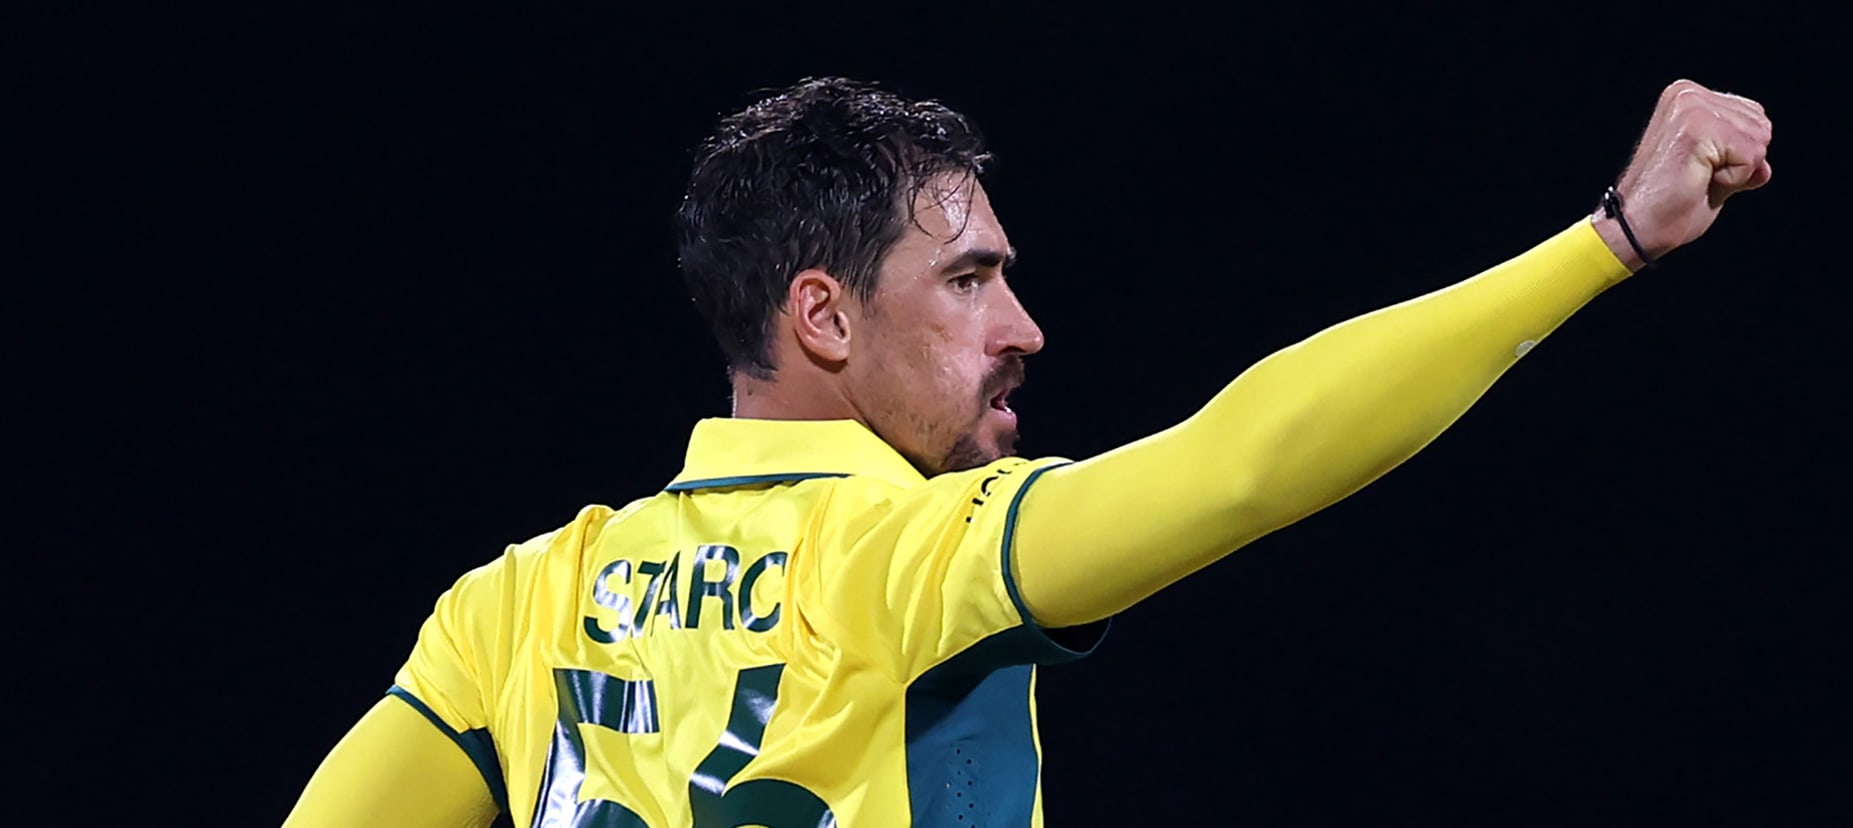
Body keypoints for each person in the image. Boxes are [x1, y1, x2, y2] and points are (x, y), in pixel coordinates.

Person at [283, 76, 1773, 827]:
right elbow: (1248, 462)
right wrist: (1612, 241)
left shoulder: (519, 607)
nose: (1027, 328)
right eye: (972, 280)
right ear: (823, 314)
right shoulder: (913, 560)